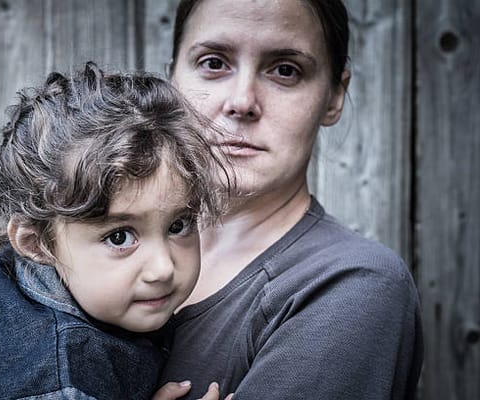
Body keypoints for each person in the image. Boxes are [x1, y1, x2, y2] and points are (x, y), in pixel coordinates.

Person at [153, 0, 424, 399]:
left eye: (285, 70)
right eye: (214, 62)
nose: (242, 101)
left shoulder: (352, 289)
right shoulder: (89, 243)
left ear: (334, 96)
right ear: (171, 77)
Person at [0, 62, 231, 400]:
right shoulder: (57, 380)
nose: (163, 267)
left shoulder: (29, 278)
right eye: (119, 237)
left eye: (179, 225)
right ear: (37, 242)